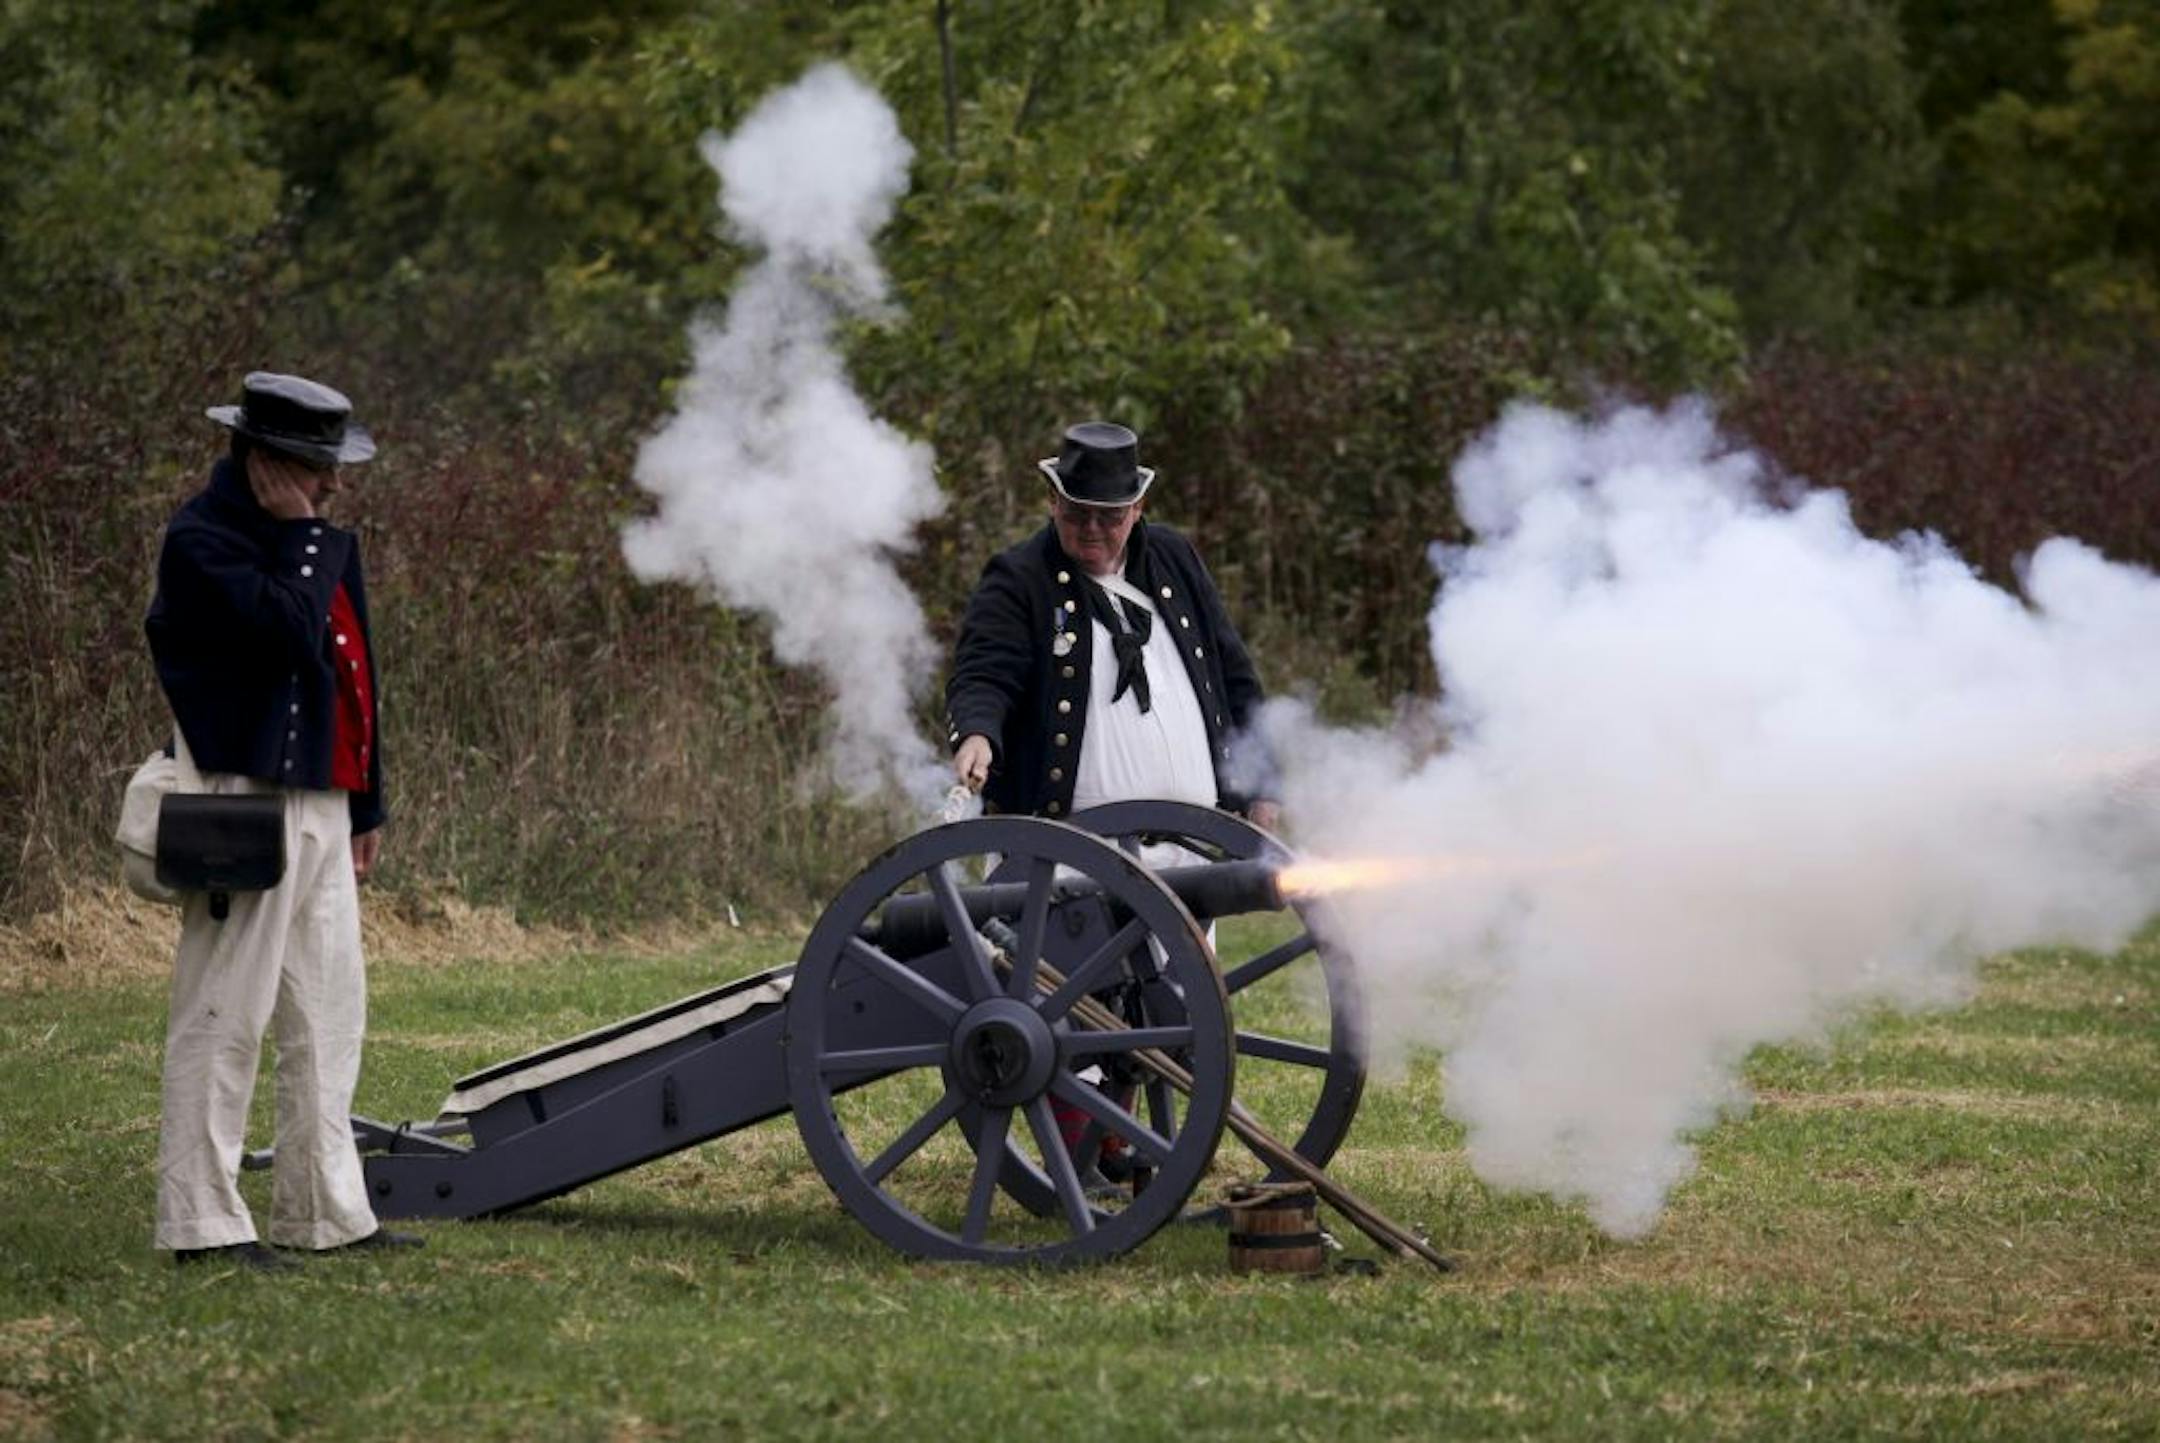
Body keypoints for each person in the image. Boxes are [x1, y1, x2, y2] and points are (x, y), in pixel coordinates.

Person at [144, 372, 418, 1270]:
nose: (333, 485)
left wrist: (365, 801)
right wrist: (302, 537)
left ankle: (325, 1211)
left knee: (328, 1015)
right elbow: (287, 636)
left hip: (323, 804)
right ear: (264, 461)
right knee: (225, 1015)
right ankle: (201, 1221)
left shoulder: (321, 543)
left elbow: (354, 675)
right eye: (314, 466)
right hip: (243, 802)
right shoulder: (203, 540)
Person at [946, 420, 1279, 832]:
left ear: (1137, 508)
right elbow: (985, 674)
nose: (1091, 530)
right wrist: (977, 733)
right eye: (1077, 514)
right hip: (1066, 856)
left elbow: (1234, 676)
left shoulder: (1172, 558)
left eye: (1109, 517)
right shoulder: (1019, 578)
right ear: (1053, 501)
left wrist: (1263, 783)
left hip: (1193, 846)